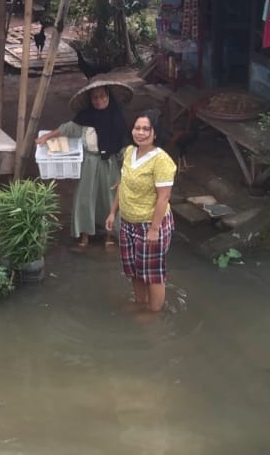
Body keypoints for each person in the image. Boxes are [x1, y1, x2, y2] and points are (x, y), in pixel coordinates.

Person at [37, 80, 128, 248]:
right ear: (90, 100)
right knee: (85, 198)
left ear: (108, 96)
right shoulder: (85, 118)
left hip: (110, 164)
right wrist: (46, 137)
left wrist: (128, 167)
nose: (99, 100)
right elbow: (66, 129)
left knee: (110, 199)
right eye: (95, 97)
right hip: (89, 163)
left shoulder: (118, 119)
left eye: (102, 96)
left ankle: (109, 235)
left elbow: (124, 146)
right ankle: (84, 234)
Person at [105, 110, 176, 313]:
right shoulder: (129, 152)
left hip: (150, 225)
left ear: (155, 133)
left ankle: (154, 314)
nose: (140, 133)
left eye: (146, 129)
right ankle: (140, 303)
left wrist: (154, 229)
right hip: (128, 223)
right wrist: (113, 212)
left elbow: (164, 197)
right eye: (137, 128)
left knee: (153, 274)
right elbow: (123, 185)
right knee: (134, 269)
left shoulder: (161, 161)